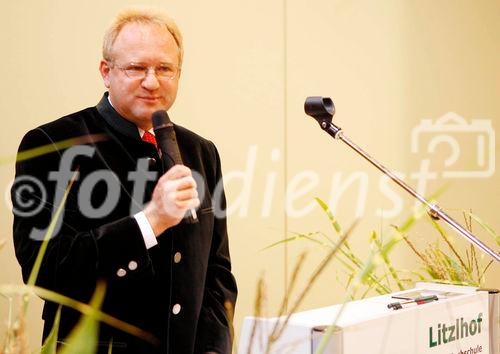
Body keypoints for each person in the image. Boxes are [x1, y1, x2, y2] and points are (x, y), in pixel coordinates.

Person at [11, 8, 237, 354]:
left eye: (164, 69)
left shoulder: (201, 151)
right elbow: (45, 270)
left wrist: (214, 349)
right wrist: (151, 221)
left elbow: (217, 275)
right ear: (106, 72)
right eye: (136, 68)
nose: (152, 81)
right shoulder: (52, 144)